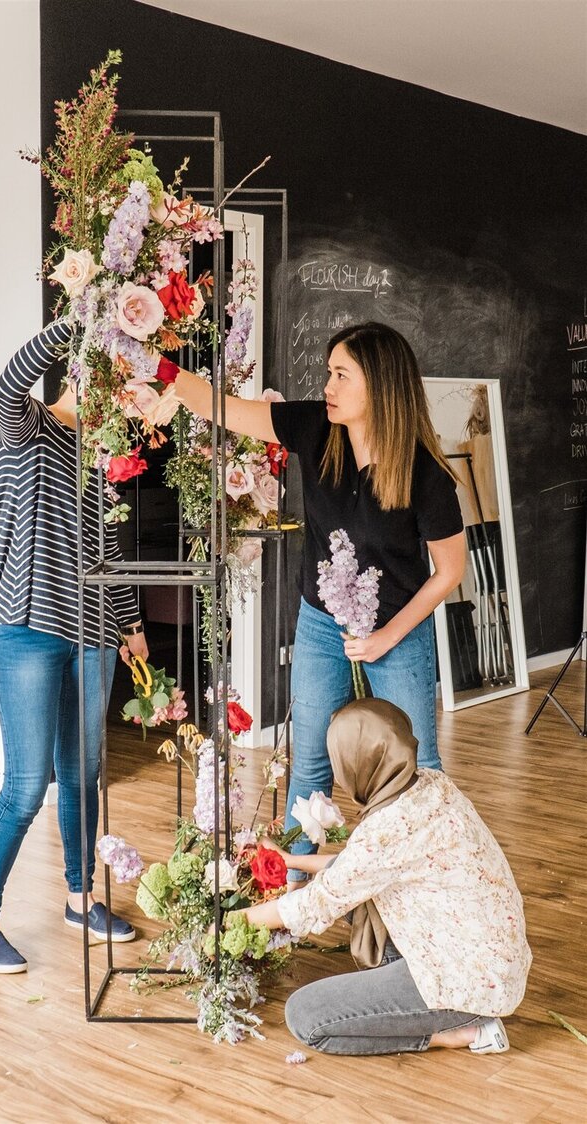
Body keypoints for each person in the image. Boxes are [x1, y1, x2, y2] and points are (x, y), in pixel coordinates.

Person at [173, 321, 466, 880]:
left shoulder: (425, 474)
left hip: (396, 632)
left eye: (340, 375)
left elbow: (449, 572)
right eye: (328, 373)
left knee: (419, 770)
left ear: (379, 387)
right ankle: (295, 900)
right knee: (308, 762)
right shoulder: (315, 428)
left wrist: (385, 637)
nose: (327, 386)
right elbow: (225, 408)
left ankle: (430, 894)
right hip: (320, 623)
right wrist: (161, 374)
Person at [0, 320, 148, 974]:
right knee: (25, 786)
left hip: (93, 635)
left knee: (84, 777)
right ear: (85, 374)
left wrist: (132, 625)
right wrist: (85, 322)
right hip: (28, 631)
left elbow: (108, 550)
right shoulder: (27, 426)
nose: (124, 400)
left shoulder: (101, 457)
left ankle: (80, 897)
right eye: (118, 381)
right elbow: (6, 382)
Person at [239, 698, 532, 1057]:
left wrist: (231, 923)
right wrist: (288, 860)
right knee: (355, 890)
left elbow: (311, 907)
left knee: (306, 1016)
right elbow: (358, 868)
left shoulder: (386, 829)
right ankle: (410, 1002)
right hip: (489, 960)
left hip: (468, 985)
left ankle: (458, 1032)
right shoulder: (428, 784)